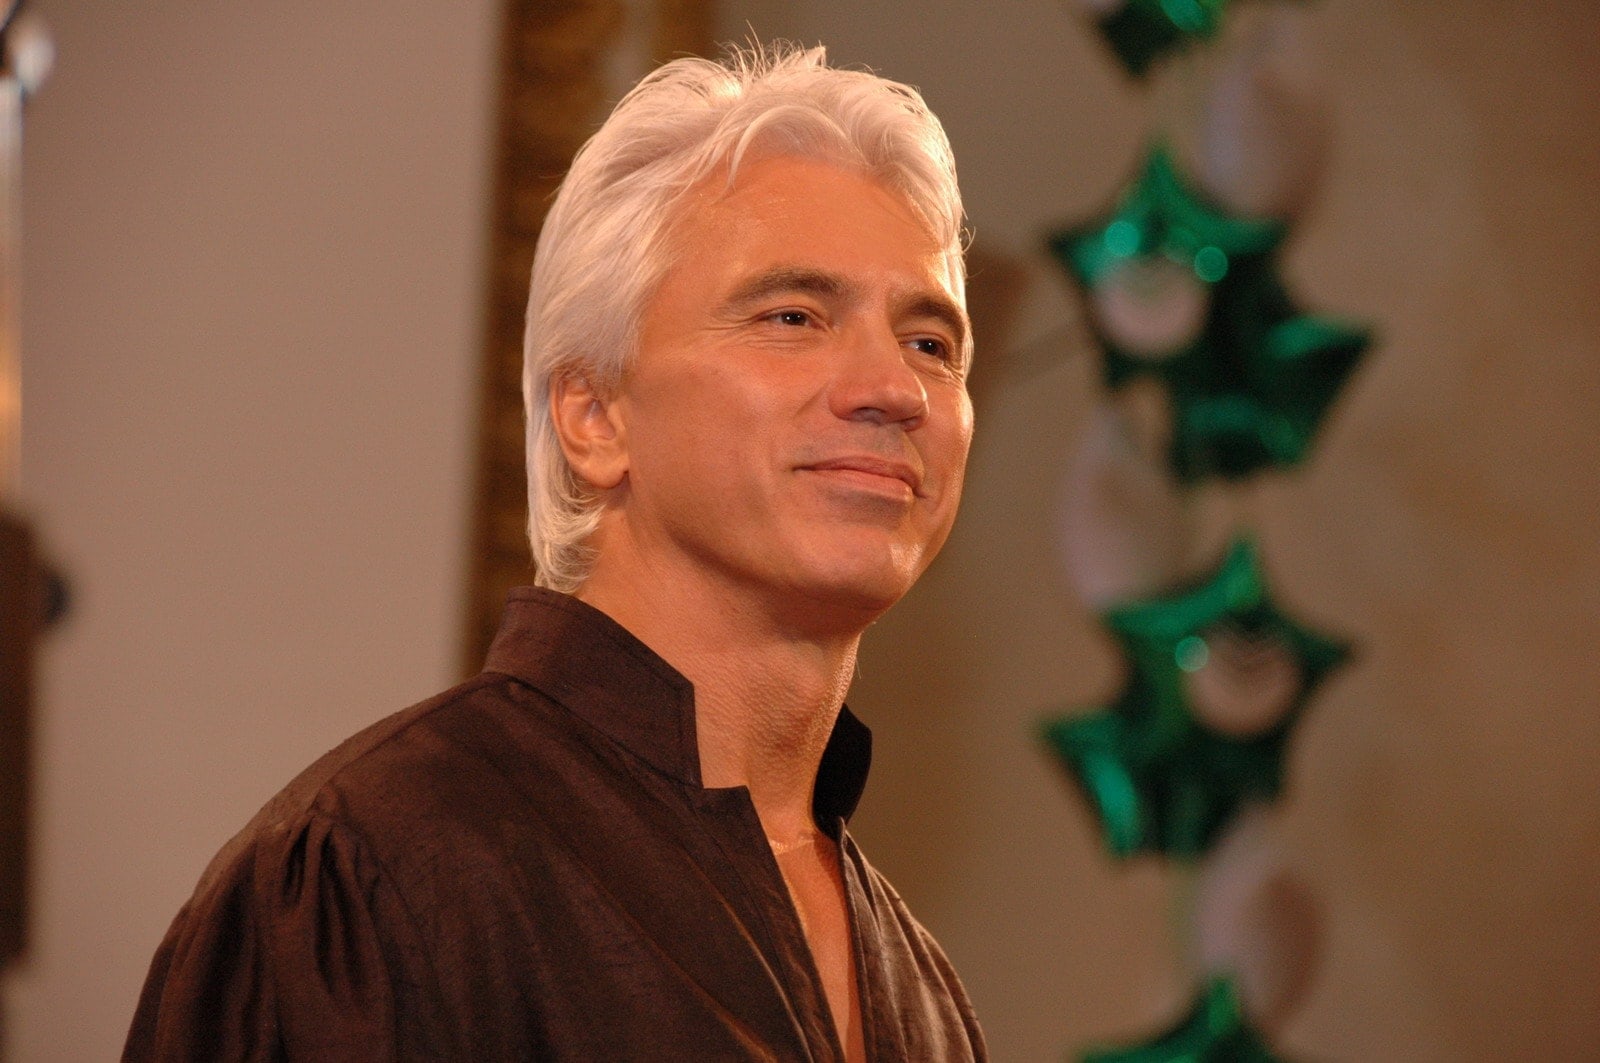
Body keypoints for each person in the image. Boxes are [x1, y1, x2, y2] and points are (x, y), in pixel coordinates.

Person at [124, 42, 985, 1062]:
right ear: (594, 415)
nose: (894, 388)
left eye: (931, 343)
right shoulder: (364, 876)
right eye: (793, 316)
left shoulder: (926, 989)